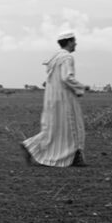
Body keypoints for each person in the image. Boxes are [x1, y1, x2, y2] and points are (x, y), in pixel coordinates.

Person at [23, 30, 91, 167]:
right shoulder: (67, 57)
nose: (76, 44)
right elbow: (66, 77)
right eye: (74, 41)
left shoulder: (54, 58)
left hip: (52, 99)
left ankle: (31, 146)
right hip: (65, 98)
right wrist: (81, 87)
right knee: (74, 127)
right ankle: (75, 157)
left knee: (54, 129)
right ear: (69, 42)